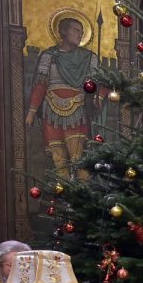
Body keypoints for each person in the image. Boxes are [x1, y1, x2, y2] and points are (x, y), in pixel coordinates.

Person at [26, 16, 98, 177]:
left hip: (77, 112)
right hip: (51, 113)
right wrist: (31, 112)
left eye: (82, 32)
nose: (80, 35)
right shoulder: (48, 56)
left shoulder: (89, 58)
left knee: (78, 160)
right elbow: (40, 85)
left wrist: (97, 99)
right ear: (64, 31)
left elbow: (98, 84)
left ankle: (82, 196)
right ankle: (61, 197)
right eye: (76, 30)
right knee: (59, 163)